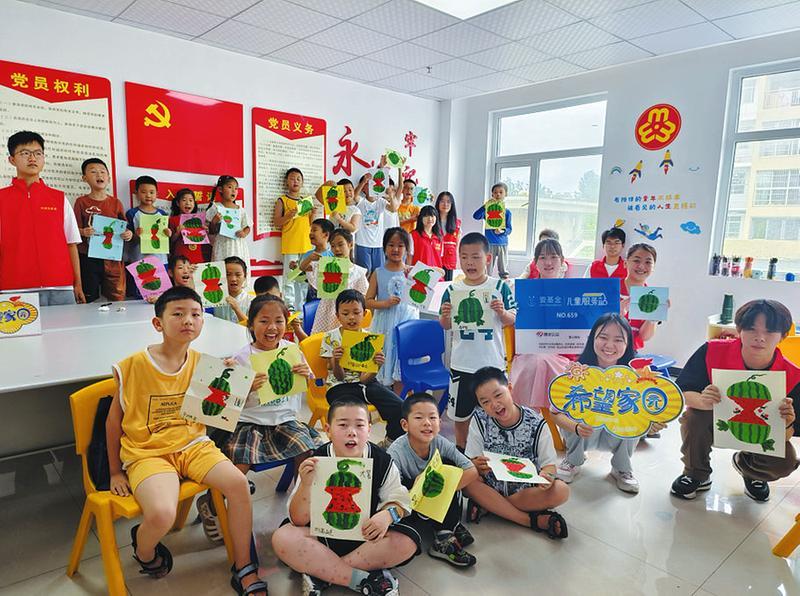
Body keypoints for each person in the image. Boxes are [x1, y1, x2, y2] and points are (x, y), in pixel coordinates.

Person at [104, 286, 267, 594]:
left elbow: (215, 413)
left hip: (193, 446)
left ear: (203, 321)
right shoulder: (133, 366)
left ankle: (244, 567)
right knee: (162, 514)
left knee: (238, 485)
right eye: (177, 314)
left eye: (195, 314)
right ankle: (144, 552)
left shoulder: (206, 364)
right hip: (148, 453)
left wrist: (237, 386)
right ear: (158, 323)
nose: (188, 320)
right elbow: (114, 422)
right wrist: (115, 471)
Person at [198, 296, 322, 541]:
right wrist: (245, 388)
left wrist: (306, 375)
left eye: (279, 321)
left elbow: (306, 387)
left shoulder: (292, 350)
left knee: (307, 454)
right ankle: (211, 504)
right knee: (239, 466)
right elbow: (227, 405)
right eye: (264, 321)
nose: (272, 327)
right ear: (251, 324)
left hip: (285, 421)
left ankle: (301, 506)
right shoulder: (241, 357)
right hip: (249, 423)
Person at [271, 396, 420, 596]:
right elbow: (298, 519)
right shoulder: (317, 461)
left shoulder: (382, 461)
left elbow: (400, 500)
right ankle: (360, 579)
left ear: (369, 429)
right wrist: (306, 484)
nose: (352, 432)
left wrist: (387, 515)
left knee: (407, 542)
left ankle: (321, 572)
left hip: (367, 537)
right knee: (283, 538)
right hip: (323, 537)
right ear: (328, 429)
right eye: (343, 425)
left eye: (359, 425)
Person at [671, 299, 799, 502]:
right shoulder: (711, 351)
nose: (760, 338)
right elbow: (682, 390)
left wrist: (787, 423)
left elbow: (790, 433)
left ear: (783, 336)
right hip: (716, 421)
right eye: (751, 329)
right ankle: (696, 473)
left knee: (786, 461)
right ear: (739, 329)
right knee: (694, 417)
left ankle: (750, 469)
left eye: (769, 332)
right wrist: (703, 401)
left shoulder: (793, 375)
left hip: (760, 431)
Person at [552, 313, 657, 493]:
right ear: (592, 338)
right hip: (584, 433)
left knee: (633, 416)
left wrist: (650, 423)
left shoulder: (637, 374)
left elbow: (649, 412)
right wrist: (575, 426)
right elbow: (555, 413)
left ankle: (622, 468)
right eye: (603, 337)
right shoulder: (575, 372)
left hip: (616, 435)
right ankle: (573, 460)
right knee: (578, 407)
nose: (609, 345)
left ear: (628, 344)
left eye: (618, 340)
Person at [463, 366, 569, 539]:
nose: (494, 405)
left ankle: (490, 506)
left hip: (523, 492)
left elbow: (549, 465)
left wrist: (547, 477)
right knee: (466, 479)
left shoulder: (536, 423)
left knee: (561, 490)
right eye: (485, 402)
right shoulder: (479, 419)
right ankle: (530, 520)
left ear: (510, 389)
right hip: (490, 486)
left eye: (498, 395)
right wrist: (476, 465)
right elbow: (470, 461)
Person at [439, 232, 517, 449]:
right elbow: (445, 325)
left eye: (475, 257)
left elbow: (512, 319)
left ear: (488, 258)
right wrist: (445, 316)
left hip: (491, 364)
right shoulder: (452, 290)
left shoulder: (499, 287)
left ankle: (494, 452)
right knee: (460, 416)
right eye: (464, 257)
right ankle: (461, 449)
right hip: (461, 364)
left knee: (498, 413)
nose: (469, 263)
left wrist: (502, 312)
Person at [387, 394, 479, 568]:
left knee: (449, 466)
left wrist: (441, 491)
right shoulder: (396, 453)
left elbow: (471, 470)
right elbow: (391, 494)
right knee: (403, 482)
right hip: (410, 503)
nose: (427, 423)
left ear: (440, 423)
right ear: (405, 425)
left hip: (435, 497)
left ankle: (446, 530)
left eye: (432, 417)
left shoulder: (440, 442)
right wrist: (419, 488)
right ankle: (443, 533)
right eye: (419, 418)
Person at [1, 130, 85, 304]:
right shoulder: (2, 199)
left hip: (61, 287)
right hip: (15, 289)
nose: (32, 158)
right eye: (25, 153)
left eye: (38, 153)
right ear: (12, 160)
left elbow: (71, 243)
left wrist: (77, 283)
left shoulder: (59, 198)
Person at [321, 290, 404, 446]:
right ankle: (348, 447)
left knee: (400, 407)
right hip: (339, 386)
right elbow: (339, 377)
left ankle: (390, 443)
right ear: (337, 315)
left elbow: (365, 379)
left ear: (364, 313)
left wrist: (376, 366)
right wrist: (336, 361)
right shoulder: (330, 338)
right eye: (345, 313)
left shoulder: (369, 338)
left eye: (356, 312)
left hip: (365, 384)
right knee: (354, 416)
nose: (351, 317)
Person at [510, 239, 573, 410]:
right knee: (537, 361)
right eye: (543, 257)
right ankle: (530, 416)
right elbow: (515, 323)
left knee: (543, 362)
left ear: (562, 260)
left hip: (562, 353)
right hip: (529, 352)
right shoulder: (524, 290)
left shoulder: (572, 291)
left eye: (553, 257)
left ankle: (553, 417)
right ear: (535, 262)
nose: (548, 262)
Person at [365, 227, 418, 394]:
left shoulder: (411, 272)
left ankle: (402, 400)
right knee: (385, 361)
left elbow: (440, 272)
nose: (395, 249)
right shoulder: (378, 272)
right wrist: (385, 303)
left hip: (406, 323)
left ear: (407, 249)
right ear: (384, 248)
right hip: (384, 324)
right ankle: (389, 400)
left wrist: (414, 272)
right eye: (391, 245)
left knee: (402, 363)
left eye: (400, 245)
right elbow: (367, 301)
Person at [73, 157, 132, 302]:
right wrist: (83, 232)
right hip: (88, 256)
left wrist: (128, 234)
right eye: (93, 172)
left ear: (109, 178)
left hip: (112, 257)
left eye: (102, 171)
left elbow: (124, 227)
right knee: (89, 296)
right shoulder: (81, 202)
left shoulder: (116, 202)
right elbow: (73, 230)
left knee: (116, 295)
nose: (99, 175)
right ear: (84, 178)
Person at [309, 228, 368, 335]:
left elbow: (364, 296)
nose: (336, 249)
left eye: (341, 245)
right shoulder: (327, 267)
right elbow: (308, 272)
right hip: (327, 313)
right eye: (333, 246)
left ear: (350, 245)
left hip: (347, 315)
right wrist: (309, 259)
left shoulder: (358, 272)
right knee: (324, 341)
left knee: (345, 341)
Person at [124, 175, 170, 297]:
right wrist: (136, 235)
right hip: (139, 261)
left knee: (160, 295)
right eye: (143, 192)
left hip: (160, 260)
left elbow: (165, 239)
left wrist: (168, 234)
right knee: (139, 297)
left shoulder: (162, 214)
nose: (148, 195)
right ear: (136, 193)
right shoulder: (132, 213)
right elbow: (128, 240)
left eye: (151, 192)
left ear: (157, 194)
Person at [273, 168, 313, 311]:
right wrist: (288, 216)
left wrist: (313, 214)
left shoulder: (306, 201)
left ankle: (301, 308)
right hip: (291, 245)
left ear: (302, 182)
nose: (295, 181)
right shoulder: (282, 200)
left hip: (306, 245)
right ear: (286, 182)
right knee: (290, 277)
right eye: (292, 178)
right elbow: (277, 222)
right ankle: (289, 307)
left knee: (302, 278)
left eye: (298, 179)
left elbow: (309, 224)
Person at [354, 160, 401, 275]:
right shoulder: (361, 201)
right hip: (362, 244)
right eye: (368, 184)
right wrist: (363, 181)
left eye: (372, 183)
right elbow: (354, 196)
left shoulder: (381, 202)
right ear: (364, 188)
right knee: (364, 273)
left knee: (377, 273)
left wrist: (390, 194)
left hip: (378, 245)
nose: (371, 186)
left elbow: (393, 208)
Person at [620, 243, 664, 352]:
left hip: (631, 352)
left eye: (648, 262)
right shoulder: (610, 289)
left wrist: (653, 316)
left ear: (653, 267)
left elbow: (644, 337)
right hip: (605, 350)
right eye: (636, 260)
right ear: (625, 263)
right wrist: (618, 315)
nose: (641, 266)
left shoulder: (653, 298)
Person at [206, 175, 250, 266]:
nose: (234, 191)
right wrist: (214, 221)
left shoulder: (240, 210)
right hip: (222, 245)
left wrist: (244, 233)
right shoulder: (215, 207)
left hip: (238, 245)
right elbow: (211, 231)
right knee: (222, 268)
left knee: (238, 267)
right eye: (230, 187)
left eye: (236, 188)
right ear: (220, 189)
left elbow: (248, 226)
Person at [472, 183, 512, 279]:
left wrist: (502, 231)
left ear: (505, 194)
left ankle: (504, 283)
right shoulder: (487, 210)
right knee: (487, 267)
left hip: (502, 243)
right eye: (495, 192)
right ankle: (486, 282)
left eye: (501, 192)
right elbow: (476, 216)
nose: (498, 194)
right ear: (492, 194)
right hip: (489, 243)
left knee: (503, 268)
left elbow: (509, 229)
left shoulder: (507, 212)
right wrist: (485, 206)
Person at [298, 218, 334, 303]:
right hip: (310, 297)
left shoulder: (332, 255)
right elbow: (301, 277)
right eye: (311, 230)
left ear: (326, 234)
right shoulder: (307, 255)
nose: (311, 233)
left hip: (328, 297)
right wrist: (295, 269)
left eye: (314, 230)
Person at [168, 187, 209, 264]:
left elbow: (204, 240)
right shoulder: (173, 219)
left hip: (197, 257)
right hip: (180, 257)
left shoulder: (199, 220)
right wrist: (177, 233)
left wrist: (205, 231)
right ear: (177, 203)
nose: (188, 203)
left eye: (191, 200)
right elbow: (170, 241)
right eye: (184, 200)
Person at [213, 256, 251, 324]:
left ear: (245, 277)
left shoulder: (251, 301)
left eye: (238, 275)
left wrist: (237, 309)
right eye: (228, 275)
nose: (233, 279)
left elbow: (253, 327)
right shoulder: (213, 299)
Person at [436, 191, 460, 282]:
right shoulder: (432, 220)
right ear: (438, 203)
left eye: (448, 202)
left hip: (449, 258)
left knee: (447, 284)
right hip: (435, 256)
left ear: (452, 204)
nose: (445, 204)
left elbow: (457, 244)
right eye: (442, 201)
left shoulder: (457, 223)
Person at [410, 205, 443, 269]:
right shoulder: (413, 235)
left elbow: (440, 258)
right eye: (426, 216)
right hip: (419, 273)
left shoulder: (440, 237)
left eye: (432, 216)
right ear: (421, 218)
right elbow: (410, 256)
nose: (430, 219)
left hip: (436, 274)